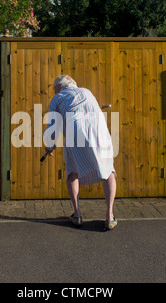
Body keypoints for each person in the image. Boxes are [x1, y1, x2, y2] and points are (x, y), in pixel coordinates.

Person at [43, 75, 117, 230]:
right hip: (99, 132)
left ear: (59, 87)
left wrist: (50, 146)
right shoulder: (87, 91)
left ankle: (77, 215)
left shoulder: (56, 99)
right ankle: (109, 217)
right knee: (108, 171)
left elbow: (53, 126)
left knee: (73, 172)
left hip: (75, 133)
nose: (54, 91)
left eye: (54, 88)